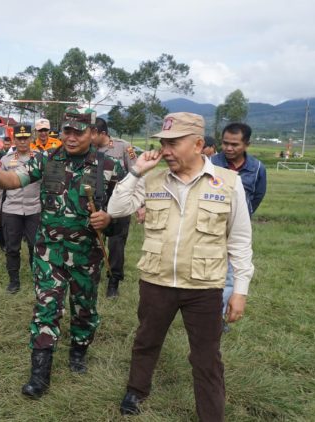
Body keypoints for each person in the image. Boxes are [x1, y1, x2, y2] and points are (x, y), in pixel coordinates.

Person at [107, 112, 254, 420]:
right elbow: (116, 209)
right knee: (146, 340)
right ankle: (136, 390)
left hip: (204, 285)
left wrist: (240, 290)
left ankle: (210, 415)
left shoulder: (228, 183)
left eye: (173, 143)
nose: (166, 150)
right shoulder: (153, 178)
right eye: (163, 143)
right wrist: (135, 171)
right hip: (157, 280)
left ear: (198, 143)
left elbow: (240, 240)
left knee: (207, 357)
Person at [0, 106, 124, 399]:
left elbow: (121, 211)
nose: (70, 138)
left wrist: (108, 219)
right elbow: (14, 180)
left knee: (84, 308)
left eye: (78, 132)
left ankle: (79, 351)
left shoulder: (108, 167)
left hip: (87, 254)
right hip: (50, 252)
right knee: (47, 308)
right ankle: (39, 374)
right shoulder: (46, 160)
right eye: (66, 131)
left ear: (91, 133)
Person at [212, 123, 267, 333]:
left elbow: (258, 195)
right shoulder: (210, 163)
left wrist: (244, 215)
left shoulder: (258, 168)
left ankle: (219, 318)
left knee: (230, 274)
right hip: (210, 226)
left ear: (246, 144)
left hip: (236, 229)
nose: (228, 148)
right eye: (225, 143)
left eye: (235, 144)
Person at [0, 124, 41, 293]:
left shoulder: (40, 159)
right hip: (12, 210)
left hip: (35, 209)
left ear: (31, 139)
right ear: (14, 140)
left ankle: (37, 277)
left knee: (36, 246)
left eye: (26, 138)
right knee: (12, 247)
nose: (23, 141)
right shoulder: (5, 160)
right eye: (19, 138)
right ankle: (14, 281)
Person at [93, 117, 137, 297]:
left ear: (102, 133)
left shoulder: (123, 147)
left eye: (92, 133)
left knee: (116, 244)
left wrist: (138, 203)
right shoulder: (88, 149)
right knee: (93, 242)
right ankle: (92, 275)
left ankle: (114, 282)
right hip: (95, 203)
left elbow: (136, 173)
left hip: (118, 203)